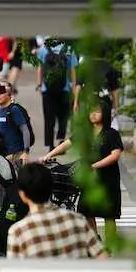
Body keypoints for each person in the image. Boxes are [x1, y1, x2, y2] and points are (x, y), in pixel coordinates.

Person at [40, 94, 123, 242]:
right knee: (86, 211)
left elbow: (115, 155)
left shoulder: (112, 134)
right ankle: (95, 240)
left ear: (105, 113)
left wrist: (95, 165)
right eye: (91, 111)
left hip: (108, 180)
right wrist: (48, 155)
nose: (93, 114)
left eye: (97, 111)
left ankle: (111, 245)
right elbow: (67, 144)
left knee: (109, 215)